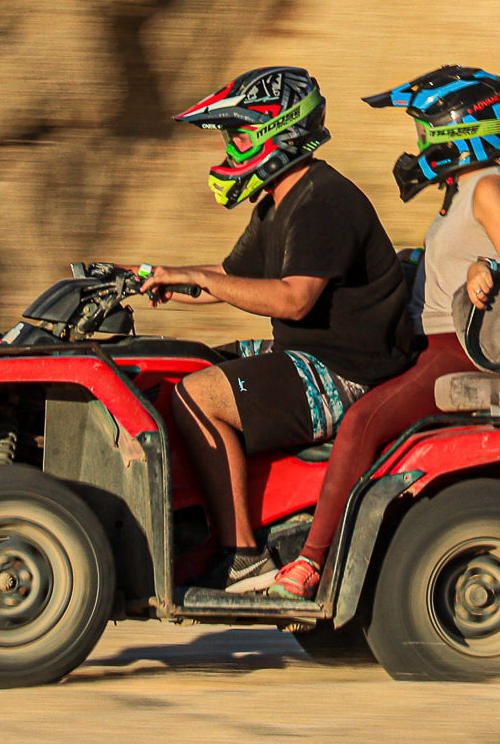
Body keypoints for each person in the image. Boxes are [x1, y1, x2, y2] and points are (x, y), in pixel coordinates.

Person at [267, 65, 500, 600]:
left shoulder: (489, 188)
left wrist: (486, 267)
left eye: (423, 130)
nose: (417, 144)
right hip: (424, 344)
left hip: (457, 349)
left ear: (459, 130)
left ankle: (310, 563)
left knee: (361, 422)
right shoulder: (463, 189)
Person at [137, 67, 412, 592]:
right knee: (186, 363)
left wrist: (202, 280)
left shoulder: (324, 201)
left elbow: (293, 299)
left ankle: (243, 556)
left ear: (278, 134)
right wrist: (159, 276)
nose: (229, 150)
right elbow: (230, 278)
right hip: (309, 351)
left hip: (347, 371)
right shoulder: (278, 202)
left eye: (237, 136)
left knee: (199, 395)